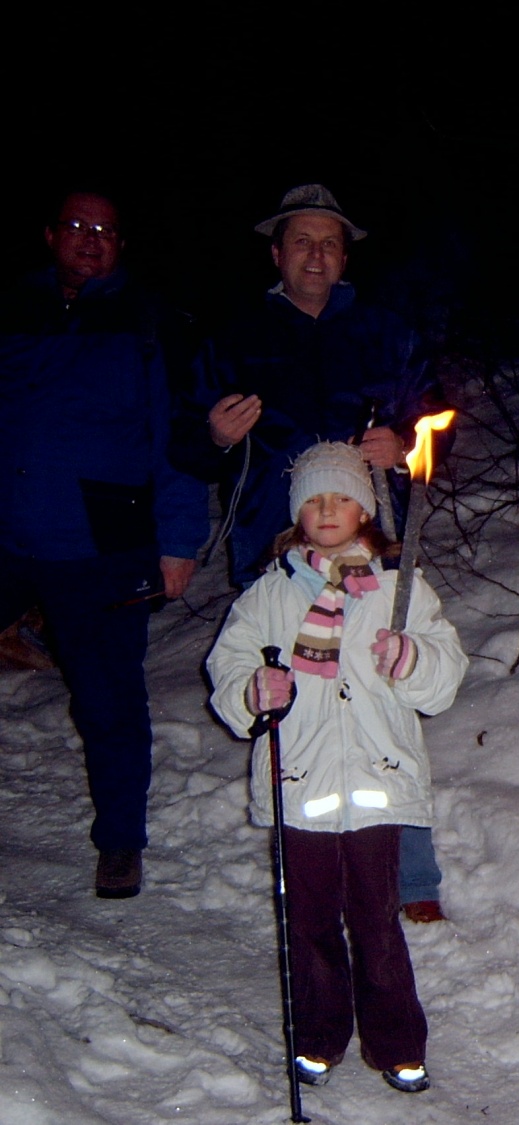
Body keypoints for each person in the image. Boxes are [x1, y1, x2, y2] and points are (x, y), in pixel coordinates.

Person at [186, 184, 449, 922]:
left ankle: (412, 869)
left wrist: (405, 442)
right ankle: (309, 867)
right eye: (301, 241)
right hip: (274, 546)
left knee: (390, 684)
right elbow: (183, 436)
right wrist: (213, 435)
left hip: (369, 544)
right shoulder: (236, 333)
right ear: (277, 253)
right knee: (288, 700)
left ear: (344, 255)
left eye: (330, 242)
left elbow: (432, 416)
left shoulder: (382, 330)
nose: (316, 254)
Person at [206, 441, 467, 1094]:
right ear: (297, 513)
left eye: (342, 497)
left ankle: (398, 1043)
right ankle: (319, 1036)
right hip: (300, 785)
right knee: (312, 922)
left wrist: (411, 658)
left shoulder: (398, 590)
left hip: (376, 784)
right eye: (315, 500)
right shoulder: (268, 595)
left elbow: (443, 675)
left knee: (376, 920)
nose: (328, 509)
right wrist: (252, 691)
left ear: (365, 509)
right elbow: (229, 667)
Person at [0, 190, 206, 899]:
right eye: (79, 228)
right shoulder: (12, 308)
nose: (92, 241)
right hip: (7, 531)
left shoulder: (150, 321)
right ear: (50, 233)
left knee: (110, 702)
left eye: (107, 232)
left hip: (102, 544)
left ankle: (120, 841)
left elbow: (176, 438)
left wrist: (178, 540)